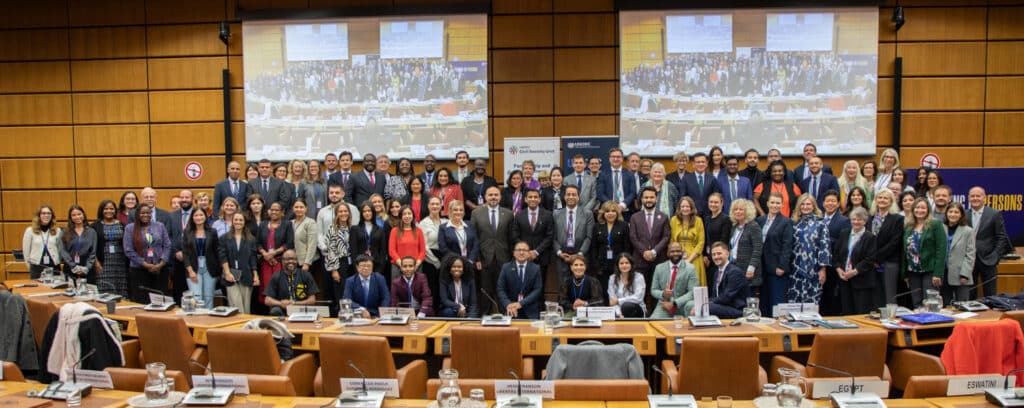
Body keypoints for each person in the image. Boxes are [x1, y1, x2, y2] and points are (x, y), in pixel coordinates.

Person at [470, 185, 514, 313]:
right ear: (485, 197)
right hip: (484, 259)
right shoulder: (476, 213)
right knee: (485, 291)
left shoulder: (508, 214)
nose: (493, 197)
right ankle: (485, 316)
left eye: (496, 195)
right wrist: (476, 258)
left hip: (504, 259)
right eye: (490, 195)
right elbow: (474, 237)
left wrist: (512, 259)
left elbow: (511, 238)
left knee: (503, 289)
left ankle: (504, 315)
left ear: (500, 197)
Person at [968, 187, 1013, 298]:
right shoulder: (964, 214)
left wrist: (995, 256)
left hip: (988, 260)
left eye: (978, 196)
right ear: (968, 198)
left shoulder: (994, 214)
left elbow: (1001, 237)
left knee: (990, 295)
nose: (975, 198)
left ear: (984, 198)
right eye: (972, 196)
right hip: (969, 260)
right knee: (969, 294)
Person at [756, 191, 796, 315]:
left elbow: (787, 245)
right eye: (772, 202)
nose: (774, 205)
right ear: (767, 203)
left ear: (782, 205)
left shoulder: (786, 222)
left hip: (777, 268)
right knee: (764, 302)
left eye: (778, 203)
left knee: (777, 302)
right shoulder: (760, 220)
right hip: (762, 267)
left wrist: (782, 266)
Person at [903, 197, 947, 307]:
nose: (920, 210)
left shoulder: (935, 224)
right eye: (917, 208)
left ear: (928, 210)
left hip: (930, 270)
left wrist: (938, 273)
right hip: (913, 271)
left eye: (923, 208)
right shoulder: (909, 226)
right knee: (917, 303)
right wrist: (905, 273)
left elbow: (941, 250)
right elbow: (904, 250)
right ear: (913, 210)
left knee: (930, 303)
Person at [832, 207, 877, 315]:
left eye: (859, 219)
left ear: (865, 221)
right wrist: (839, 270)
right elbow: (836, 254)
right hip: (844, 279)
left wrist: (854, 272)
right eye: (854, 219)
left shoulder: (870, 237)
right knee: (847, 311)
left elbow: (870, 259)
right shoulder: (844, 233)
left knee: (861, 312)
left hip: (861, 280)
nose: (856, 222)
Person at [788, 194, 831, 304]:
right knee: (794, 303)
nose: (805, 206)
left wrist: (823, 269)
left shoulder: (821, 223)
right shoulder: (794, 223)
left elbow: (824, 247)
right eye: (802, 204)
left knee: (811, 303)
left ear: (813, 206)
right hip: (795, 269)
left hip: (814, 269)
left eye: (808, 204)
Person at [123, 204, 170, 304]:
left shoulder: (159, 226)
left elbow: (167, 245)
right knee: (141, 300)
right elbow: (128, 250)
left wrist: (161, 263)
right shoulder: (130, 228)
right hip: (139, 270)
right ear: (137, 214)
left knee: (159, 300)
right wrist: (145, 264)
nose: (146, 215)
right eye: (143, 213)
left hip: (159, 269)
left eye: (148, 213)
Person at [869, 189, 905, 307]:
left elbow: (894, 243)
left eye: (885, 198)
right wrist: (871, 259)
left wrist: (877, 258)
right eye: (880, 197)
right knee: (875, 296)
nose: (882, 200)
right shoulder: (870, 219)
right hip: (870, 264)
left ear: (891, 202)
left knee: (889, 297)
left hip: (889, 262)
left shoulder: (897, 219)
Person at [218, 213, 259, 313]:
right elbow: (222, 256)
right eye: (236, 220)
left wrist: (255, 275)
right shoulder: (224, 238)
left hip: (246, 275)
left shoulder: (251, 239)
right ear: (232, 221)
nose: (238, 222)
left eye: (241, 220)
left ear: (244, 222)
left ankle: (245, 328)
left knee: (246, 306)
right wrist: (227, 272)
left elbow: (253, 258)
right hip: (231, 275)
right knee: (236, 304)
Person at [257, 202, 294, 309]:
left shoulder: (287, 224)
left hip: (280, 262)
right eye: (271, 209)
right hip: (265, 263)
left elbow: (289, 243)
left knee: (281, 287)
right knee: (267, 288)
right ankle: (269, 312)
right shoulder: (263, 224)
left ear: (282, 213)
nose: (273, 212)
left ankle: (280, 310)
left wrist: (273, 253)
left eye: (277, 210)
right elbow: (257, 243)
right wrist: (265, 254)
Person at [554, 185, 594, 283]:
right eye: (568, 194)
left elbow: (589, 237)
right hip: (562, 257)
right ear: (564, 197)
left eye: (574, 194)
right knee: (562, 287)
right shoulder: (556, 214)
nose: (571, 197)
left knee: (580, 287)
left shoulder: (587, 214)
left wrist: (579, 254)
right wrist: (559, 253)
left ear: (578, 197)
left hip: (581, 256)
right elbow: (553, 237)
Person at [182, 208, 220, 307]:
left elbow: (217, 251)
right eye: (196, 215)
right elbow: (185, 253)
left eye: (201, 215)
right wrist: (190, 271)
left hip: (210, 268)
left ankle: (208, 322)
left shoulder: (212, 231)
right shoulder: (187, 232)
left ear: (205, 216)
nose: (199, 217)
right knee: (196, 298)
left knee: (208, 298)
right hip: (194, 267)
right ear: (192, 217)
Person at [263, 249, 319, 316]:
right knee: (275, 311)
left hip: (301, 308)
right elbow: (267, 300)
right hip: (283, 309)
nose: (290, 261)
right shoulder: (276, 276)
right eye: (287, 259)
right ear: (282, 261)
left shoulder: (306, 275)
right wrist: (281, 303)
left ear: (297, 260)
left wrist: (294, 303)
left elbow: (312, 300)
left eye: (293, 259)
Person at [701, 242, 750, 319]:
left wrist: (707, 302)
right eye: (714, 254)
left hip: (737, 309)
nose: (716, 257)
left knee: (707, 307)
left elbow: (727, 297)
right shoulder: (717, 272)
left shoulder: (734, 272)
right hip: (722, 306)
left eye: (719, 253)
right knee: (698, 305)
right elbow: (715, 296)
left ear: (727, 254)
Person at [512, 189, 554, 277]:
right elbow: (515, 235)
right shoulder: (519, 215)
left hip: (541, 256)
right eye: (530, 197)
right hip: (523, 256)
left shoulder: (548, 215)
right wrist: (525, 251)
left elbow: (549, 236)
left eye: (535, 197)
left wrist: (536, 252)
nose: (533, 199)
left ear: (539, 199)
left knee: (541, 285)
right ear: (525, 199)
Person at [496, 241, 544, 319]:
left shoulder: (536, 268)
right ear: (514, 253)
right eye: (518, 250)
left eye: (524, 250)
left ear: (529, 253)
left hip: (530, 311)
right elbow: (500, 289)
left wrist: (521, 303)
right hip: (511, 310)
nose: (521, 253)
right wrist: (508, 304)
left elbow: (537, 290)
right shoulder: (506, 268)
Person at [649, 242, 698, 318]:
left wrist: (674, 303)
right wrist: (663, 294)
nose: (675, 253)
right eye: (672, 251)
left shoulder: (691, 268)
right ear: (668, 253)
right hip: (665, 305)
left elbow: (692, 292)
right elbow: (653, 290)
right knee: (654, 321)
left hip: (683, 305)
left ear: (682, 252)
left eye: (678, 251)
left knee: (691, 305)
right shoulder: (659, 268)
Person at [591, 200, 631, 290]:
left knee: (618, 290)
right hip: (602, 266)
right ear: (603, 213)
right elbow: (594, 247)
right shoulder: (597, 226)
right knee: (604, 290)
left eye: (613, 211)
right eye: (607, 211)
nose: (610, 214)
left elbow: (627, 247)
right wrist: (596, 264)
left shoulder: (624, 226)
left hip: (618, 265)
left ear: (617, 213)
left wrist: (625, 264)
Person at [92, 200, 128, 297]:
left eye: (111, 209)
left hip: (120, 263)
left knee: (120, 290)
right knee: (105, 289)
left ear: (115, 210)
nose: (109, 211)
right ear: (101, 210)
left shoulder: (122, 225)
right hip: (103, 263)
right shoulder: (95, 226)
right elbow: (92, 247)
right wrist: (96, 262)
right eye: (106, 209)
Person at [943, 202, 976, 304]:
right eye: (950, 211)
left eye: (956, 212)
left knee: (962, 307)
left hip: (961, 275)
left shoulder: (968, 231)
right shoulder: (940, 228)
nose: (952, 214)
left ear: (961, 214)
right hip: (943, 274)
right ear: (946, 213)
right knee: (945, 307)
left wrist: (965, 274)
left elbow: (970, 254)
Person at [59, 205, 97, 284]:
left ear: (83, 215)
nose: (77, 217)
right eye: (74, 215)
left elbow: (93, 251)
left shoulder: (91, 232)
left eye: (79, 214)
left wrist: (87, 267)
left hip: (87, 269)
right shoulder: (64, 232)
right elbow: (62, 250)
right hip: (70, 267)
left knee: (88, 294)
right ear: (70, 217)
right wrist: (73, 266)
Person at [351, 202, 390, 274]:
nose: (367, 213)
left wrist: (380, 270)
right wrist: (356, 268)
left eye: (369, 211)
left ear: (373, 212)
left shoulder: (380, 230)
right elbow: (353, 251)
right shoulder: (355, 229)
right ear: (361, 213)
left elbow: (382, 251)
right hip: (360, 266)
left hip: (376, 266)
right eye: (364, 211)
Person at [597, 148, 637, 218]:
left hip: (625, 211)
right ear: (609, 159)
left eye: (618, 157)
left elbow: (632, 193)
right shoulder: (602, 174)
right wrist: (611, 206)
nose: (615, 159)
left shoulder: (630, 174)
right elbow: (600, 193)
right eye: (613, 157)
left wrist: (623, 205)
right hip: (608, 211)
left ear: (622, 159)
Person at [388, 206, 426, 278]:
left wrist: (415, 265)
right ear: (400, 216)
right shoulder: (394, 231)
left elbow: (422, 251)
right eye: (404, 214)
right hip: (398, 267)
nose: (407, 216)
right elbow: (392, 251)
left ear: (413, 216)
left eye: (409, 213)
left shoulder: (419, 231)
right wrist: (403, 266)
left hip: (416, 268)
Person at [438, 201, 479, 266]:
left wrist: (471, 260)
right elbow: (443, 248)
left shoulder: (470, 225)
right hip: (452, 264)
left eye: (461, 210)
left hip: (470, 264)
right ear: (450, 211)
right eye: (455, 210)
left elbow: (475, 244)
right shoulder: (443, 228)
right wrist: (457, 261)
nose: (458, 212)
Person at [608, 253, 646, 318]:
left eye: (627, 263)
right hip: (618, 311)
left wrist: (618, 300)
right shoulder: (612, 278)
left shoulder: (639, 277)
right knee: (610, 313)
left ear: (631, 264)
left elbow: (638, 298)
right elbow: (612, 301)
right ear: (617, 265)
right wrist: (619, 314)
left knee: (627, 306)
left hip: (636, 309)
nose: (624, 265)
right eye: (621, 263)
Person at [683, 153, 721, 217]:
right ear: (693, 164)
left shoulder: (712, 178)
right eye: (698, 162)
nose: (700, 164)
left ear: (706, 164)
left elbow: (717, 197)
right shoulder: (686, 179)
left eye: (703, 162)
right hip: (692, 215)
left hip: (709, 215)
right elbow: (683, 198)